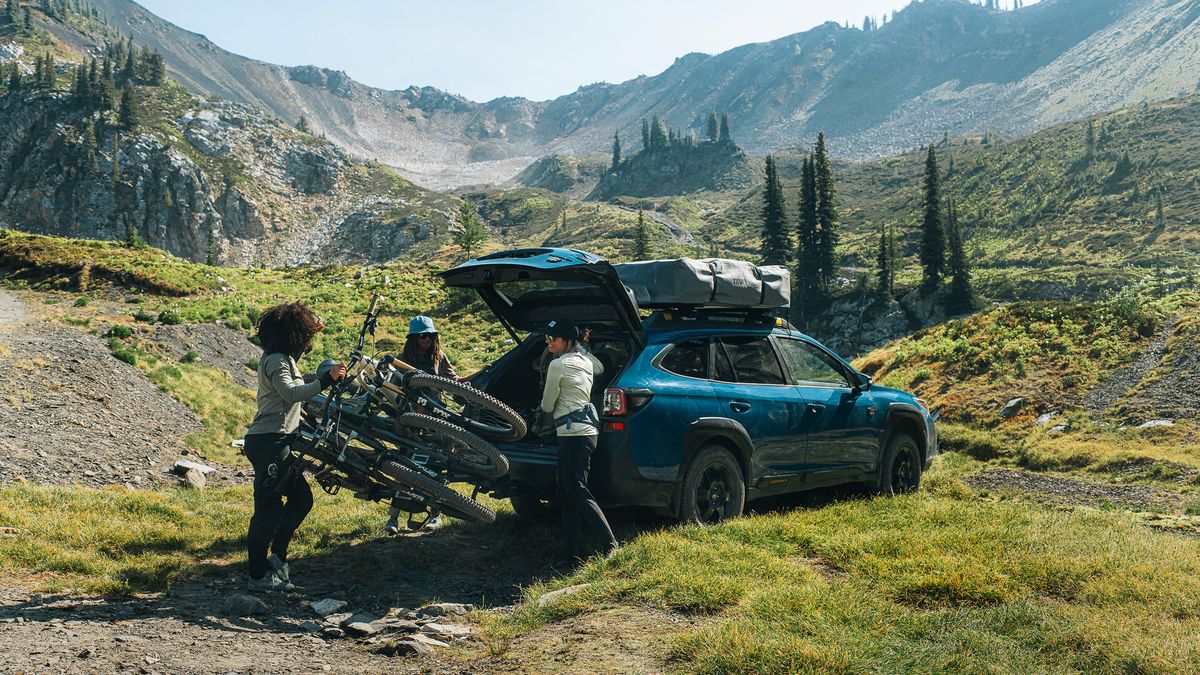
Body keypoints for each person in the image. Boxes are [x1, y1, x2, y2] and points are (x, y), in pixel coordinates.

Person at [243, 303, 346, 592]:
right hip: (269, 441)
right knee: (268, 507)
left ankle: (277, 558)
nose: (308, 341)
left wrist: (326, 379)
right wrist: (326, 380)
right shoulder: (277, 360)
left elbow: (298, 386)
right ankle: (258, 575)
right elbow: (290, 393)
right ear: (294, 334)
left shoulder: (284, 358)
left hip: (276, 440)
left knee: (300, 499)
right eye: (306, 334)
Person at [541, 319, 618, 559]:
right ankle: (571, 551)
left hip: (573, 433)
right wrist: (583, 346)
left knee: (576, 488)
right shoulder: (586, 361)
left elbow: (547, 403)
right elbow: (600, 368)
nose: (548, 342)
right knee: (567, 491)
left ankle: (610, 545)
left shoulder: (558, 365)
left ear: (566, 341)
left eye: (553, 338)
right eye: (547, 338)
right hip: (585, 432)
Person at [383, 315, 456, 534]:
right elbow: (390, 389)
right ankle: (393, 519)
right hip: (410, 422)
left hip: (435, 422)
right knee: (404, 468)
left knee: (434, 467)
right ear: (413, 338)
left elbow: (455, 381)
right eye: (422, 335)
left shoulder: (439, 357)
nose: (427, 339)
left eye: (431, 335)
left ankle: (435, 514)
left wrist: (481, 375)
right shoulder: (402, 359)